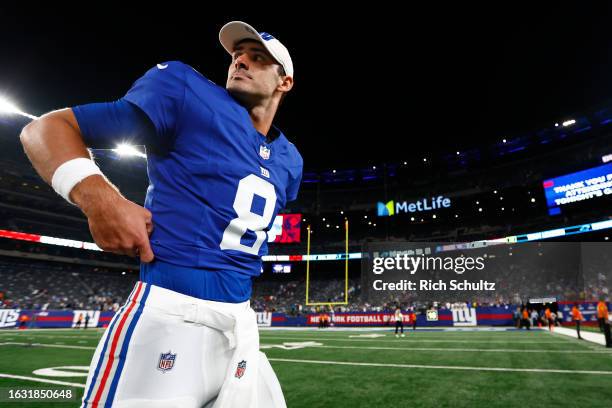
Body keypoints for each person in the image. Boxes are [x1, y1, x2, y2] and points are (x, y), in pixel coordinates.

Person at [20, 20, 300, 408]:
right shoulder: (188, 92)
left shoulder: (290, 161)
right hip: (170, 315)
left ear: (284, 82)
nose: (240, 62)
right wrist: (102, 199)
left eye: (257, 58)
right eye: (237, 56)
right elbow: (45, 128)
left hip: (241, 326)